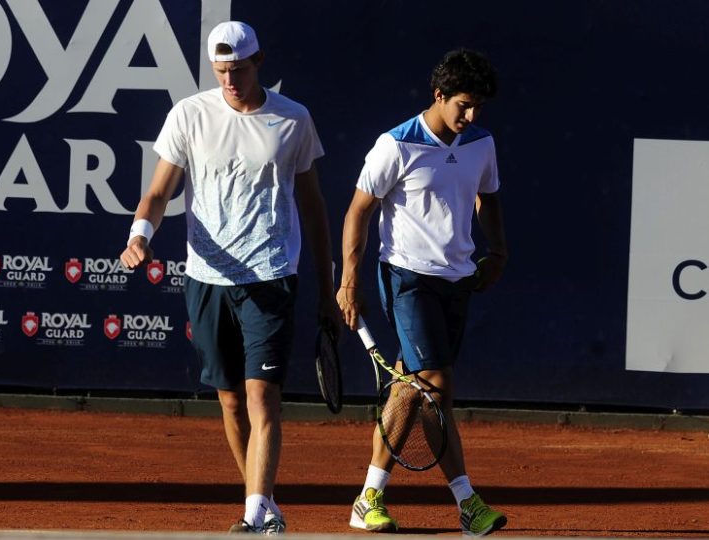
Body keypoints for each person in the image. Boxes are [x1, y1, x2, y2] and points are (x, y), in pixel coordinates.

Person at [120, 21, 340, 535]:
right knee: (230, 400)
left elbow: (313, 207)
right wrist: (140, 235)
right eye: (220, 71)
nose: (229, 81)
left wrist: (329, 287)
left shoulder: (293, 120)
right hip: (206, 277)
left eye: (238, 69)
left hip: (269, 276)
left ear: (258, 62)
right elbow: (158, 193)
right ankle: (261, 503)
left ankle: (254, 511)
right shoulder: (190, 114)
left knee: (262, 395)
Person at [336, 48, 509, 536]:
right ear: (438, 96)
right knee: (434, 383)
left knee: (418, 390)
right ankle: (467, 503)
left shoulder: (481, 142)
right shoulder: (396, 145)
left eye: (478, 108)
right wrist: (349, 282)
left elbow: (488, 196)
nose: (471, 116)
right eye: (463, 105)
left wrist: (497, 252)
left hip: (458, 280)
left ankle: (368, 497)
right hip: (407, 278)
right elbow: (358, 212)